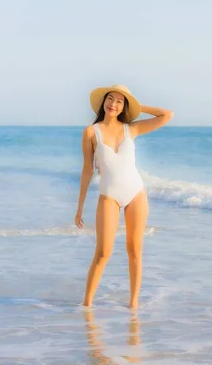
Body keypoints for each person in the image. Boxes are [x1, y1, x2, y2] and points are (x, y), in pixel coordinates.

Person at [74, 84, 174, 308]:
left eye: (120, 101)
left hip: (136, 193)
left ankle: (133, 304)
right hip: (109, 196)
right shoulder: (91, 132)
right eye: (110, 99)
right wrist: (79, 207)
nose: (113, 104)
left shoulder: (132, 129)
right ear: (103, 102)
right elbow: (87, 170)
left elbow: (166, 115)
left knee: (135, 249)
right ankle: (87, 305)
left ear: (124, 107)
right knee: (103, 252)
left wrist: (136, 107)